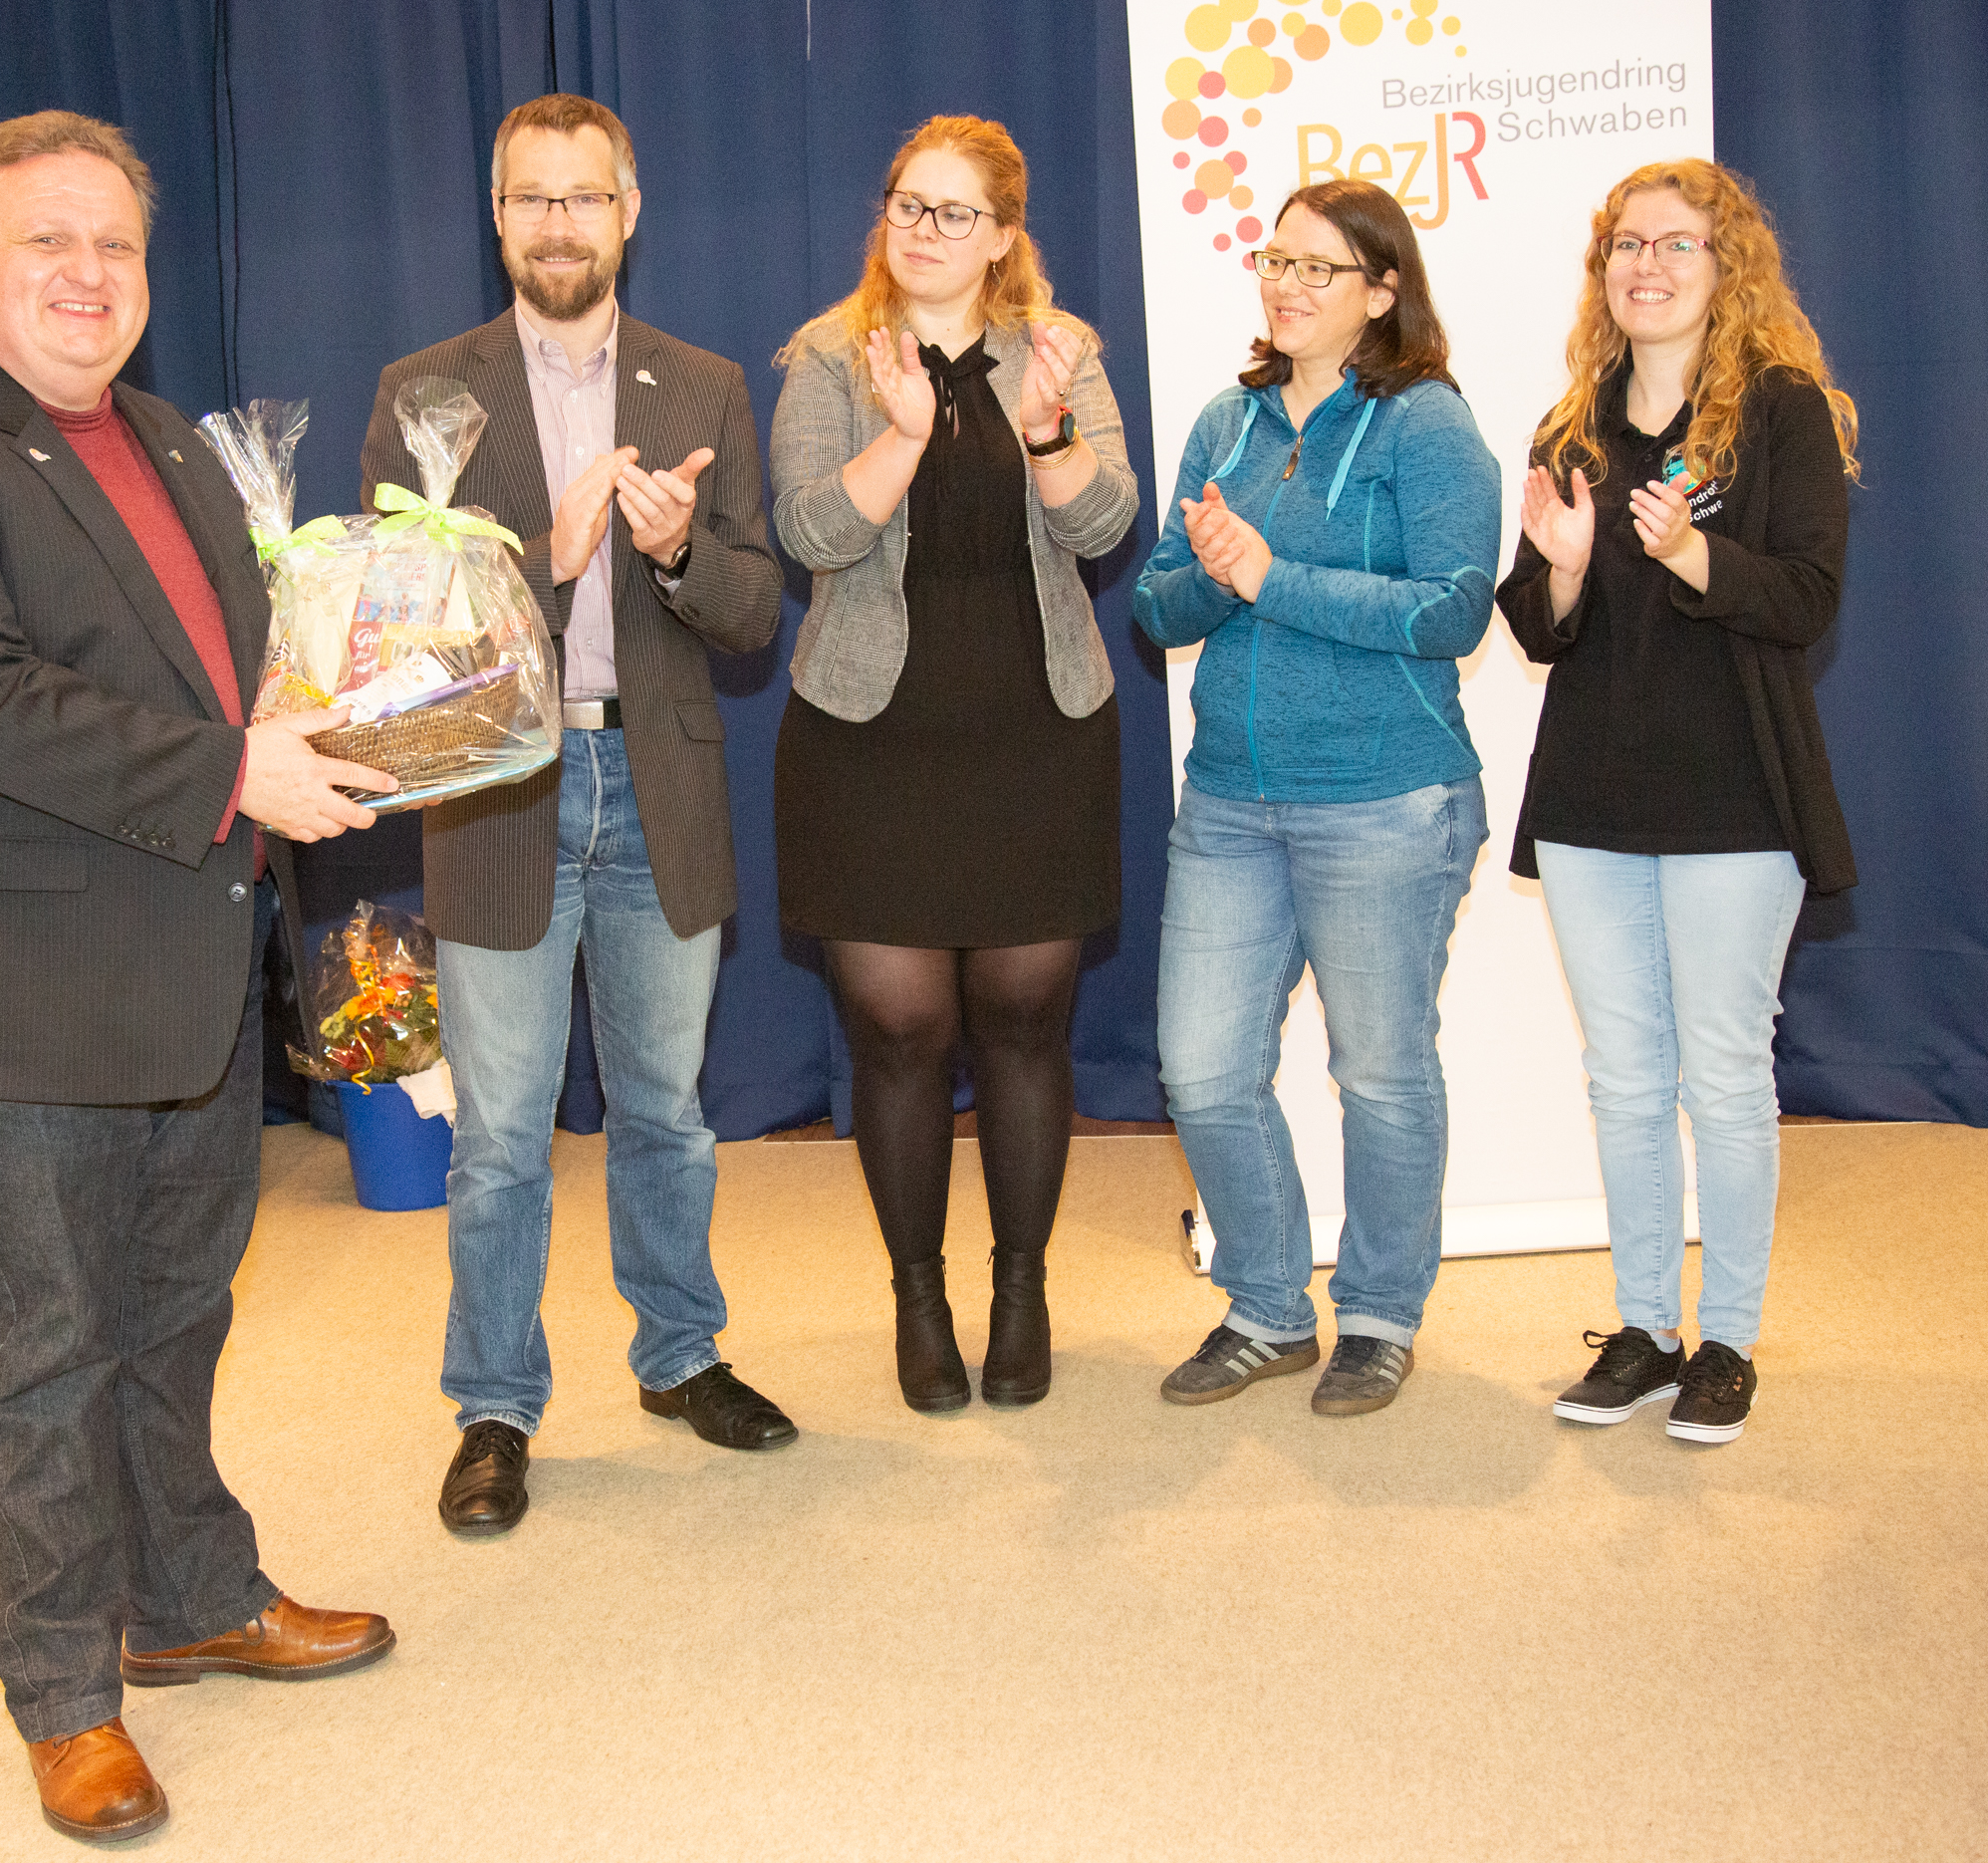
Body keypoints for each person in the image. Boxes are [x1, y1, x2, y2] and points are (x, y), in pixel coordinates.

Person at [0, 112, 399, 1845]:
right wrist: (235, 771)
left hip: (190, 954)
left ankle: (193, 1594)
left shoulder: (167, 438)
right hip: (20, 982)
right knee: (51, 1346)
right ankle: (65, 1695)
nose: (87, 276)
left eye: (117, 248)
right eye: (46, 241)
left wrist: (371, 689)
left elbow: (239, 661)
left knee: (178, 1313)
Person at [361, 95, 788, 1537]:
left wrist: (672, 555)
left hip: (656, 784)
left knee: (668, 1112)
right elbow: (404, 646)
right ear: (497, 217)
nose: (559, 224)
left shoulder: (703, 382)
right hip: (500, 799)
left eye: (584, 199)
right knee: (500, 1136)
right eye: (532, 200)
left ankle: (680, 1355)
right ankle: (494, 1404)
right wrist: (554, 554)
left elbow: (752, 616)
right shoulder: (428, 394)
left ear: (628, 212)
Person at [769, 115, 1139, 1413]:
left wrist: (1044, 433)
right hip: (873, 742)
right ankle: (916, 1295)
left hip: (1034, 734)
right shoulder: (830, 356)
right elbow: (809, 532)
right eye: (905, 206)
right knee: (902, 1029)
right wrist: (909, 434)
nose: (921, 233)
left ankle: (1020, 1288)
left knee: (1029, 1023)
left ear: (1001, 236)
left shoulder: (1058, 352)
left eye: (952, 213)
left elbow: (1106, 524)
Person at [1500, 158, 1860, 1446]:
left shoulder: (1780, 416)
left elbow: (1808, 596)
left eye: (1675, 246)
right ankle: (1647, 1330)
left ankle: (1729, 1344)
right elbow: (1538, 631)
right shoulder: (1573, 426)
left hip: (1737, 800)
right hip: (1596, 797)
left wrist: (1694, 552)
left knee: (1723, 1071)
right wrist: (1564, 570)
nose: (1645, 266)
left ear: (1728, 269)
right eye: (1625, 247)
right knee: (1626, 1076)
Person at [1134, 178, 1500, 1420]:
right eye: (1272, 260)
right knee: (1200, 1069)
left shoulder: (1426, 424)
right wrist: (1218, 580)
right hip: (1230, 801)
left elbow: (1452, 609)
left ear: (1382, 291)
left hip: (1387, 801)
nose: (1285, 284)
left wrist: (1272, 575)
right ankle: (1269, 1306)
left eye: (1318, 268)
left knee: (1381, 1072)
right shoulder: (1221, 424)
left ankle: (1384, 1315)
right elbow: (1157, 602)